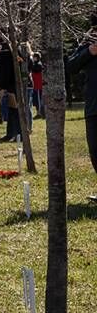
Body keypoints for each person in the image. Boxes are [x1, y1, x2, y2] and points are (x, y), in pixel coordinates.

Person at [67, 12, 97, 201]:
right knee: (95, 150)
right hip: (93, 107)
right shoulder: (88, 46)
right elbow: (69, 67)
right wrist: (88, 52)